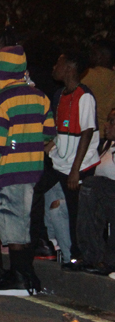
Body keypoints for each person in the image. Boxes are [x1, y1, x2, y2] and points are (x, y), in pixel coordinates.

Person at [0, 46, 55, 296]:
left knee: (11, 221)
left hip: (7, 171)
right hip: (33, 170)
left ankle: (21, 277)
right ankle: (23, 273)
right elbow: (49, 133)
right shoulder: (40, 97)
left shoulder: (0, 100)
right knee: (24, 220)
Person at [49, 49, 100, 264]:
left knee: (76, 213)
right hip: (61, 161)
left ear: (70, 68)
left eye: (58, 63)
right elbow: (60, 132)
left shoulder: (84, 96)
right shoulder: (60, 95)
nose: (54, 67)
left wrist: (75, 170)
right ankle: (54, 244)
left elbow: (87, 133)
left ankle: (78, 256)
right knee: (47, 198)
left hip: (78, 165)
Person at [75, 108, 115, 274]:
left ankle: (104, 259)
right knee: (88, 189)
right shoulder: (106, 145)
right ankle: (93, 257)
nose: (107, 126)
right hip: (105, 197)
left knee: (93, 186)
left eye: (112, 122)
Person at [82, 40, 115, 132]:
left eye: (93, 53)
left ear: (100, 56)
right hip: (108, 131)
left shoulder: (89, 74)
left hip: (89, 131)